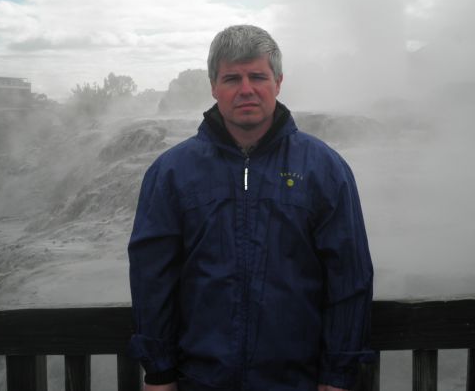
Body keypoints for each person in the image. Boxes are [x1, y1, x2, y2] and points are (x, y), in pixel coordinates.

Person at [128, 25, 374, 391]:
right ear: (214, 86)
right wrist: (159, 372)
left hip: (298, 382)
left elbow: (349, 277)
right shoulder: (172, 172)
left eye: (258, 76)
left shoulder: (324, 169)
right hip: (199, 380)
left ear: (278, 82)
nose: (246, 89)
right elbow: (152, 277)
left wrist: (338, 375)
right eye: (232, 78)